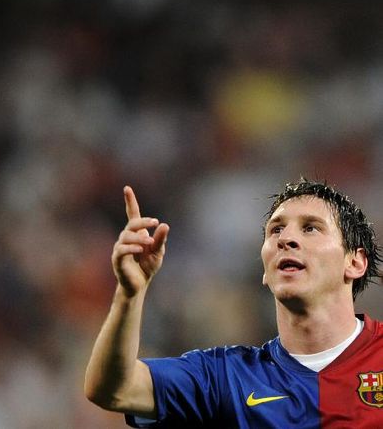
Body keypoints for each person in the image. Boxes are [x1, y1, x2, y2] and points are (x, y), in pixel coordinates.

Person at [83, 178, 383, 427]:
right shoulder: (223, 377)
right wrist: (129, 295)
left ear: (355, 262)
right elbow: (113, 390)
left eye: (310, 228)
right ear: (265, 271)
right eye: (276, 230)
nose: (286, 239)